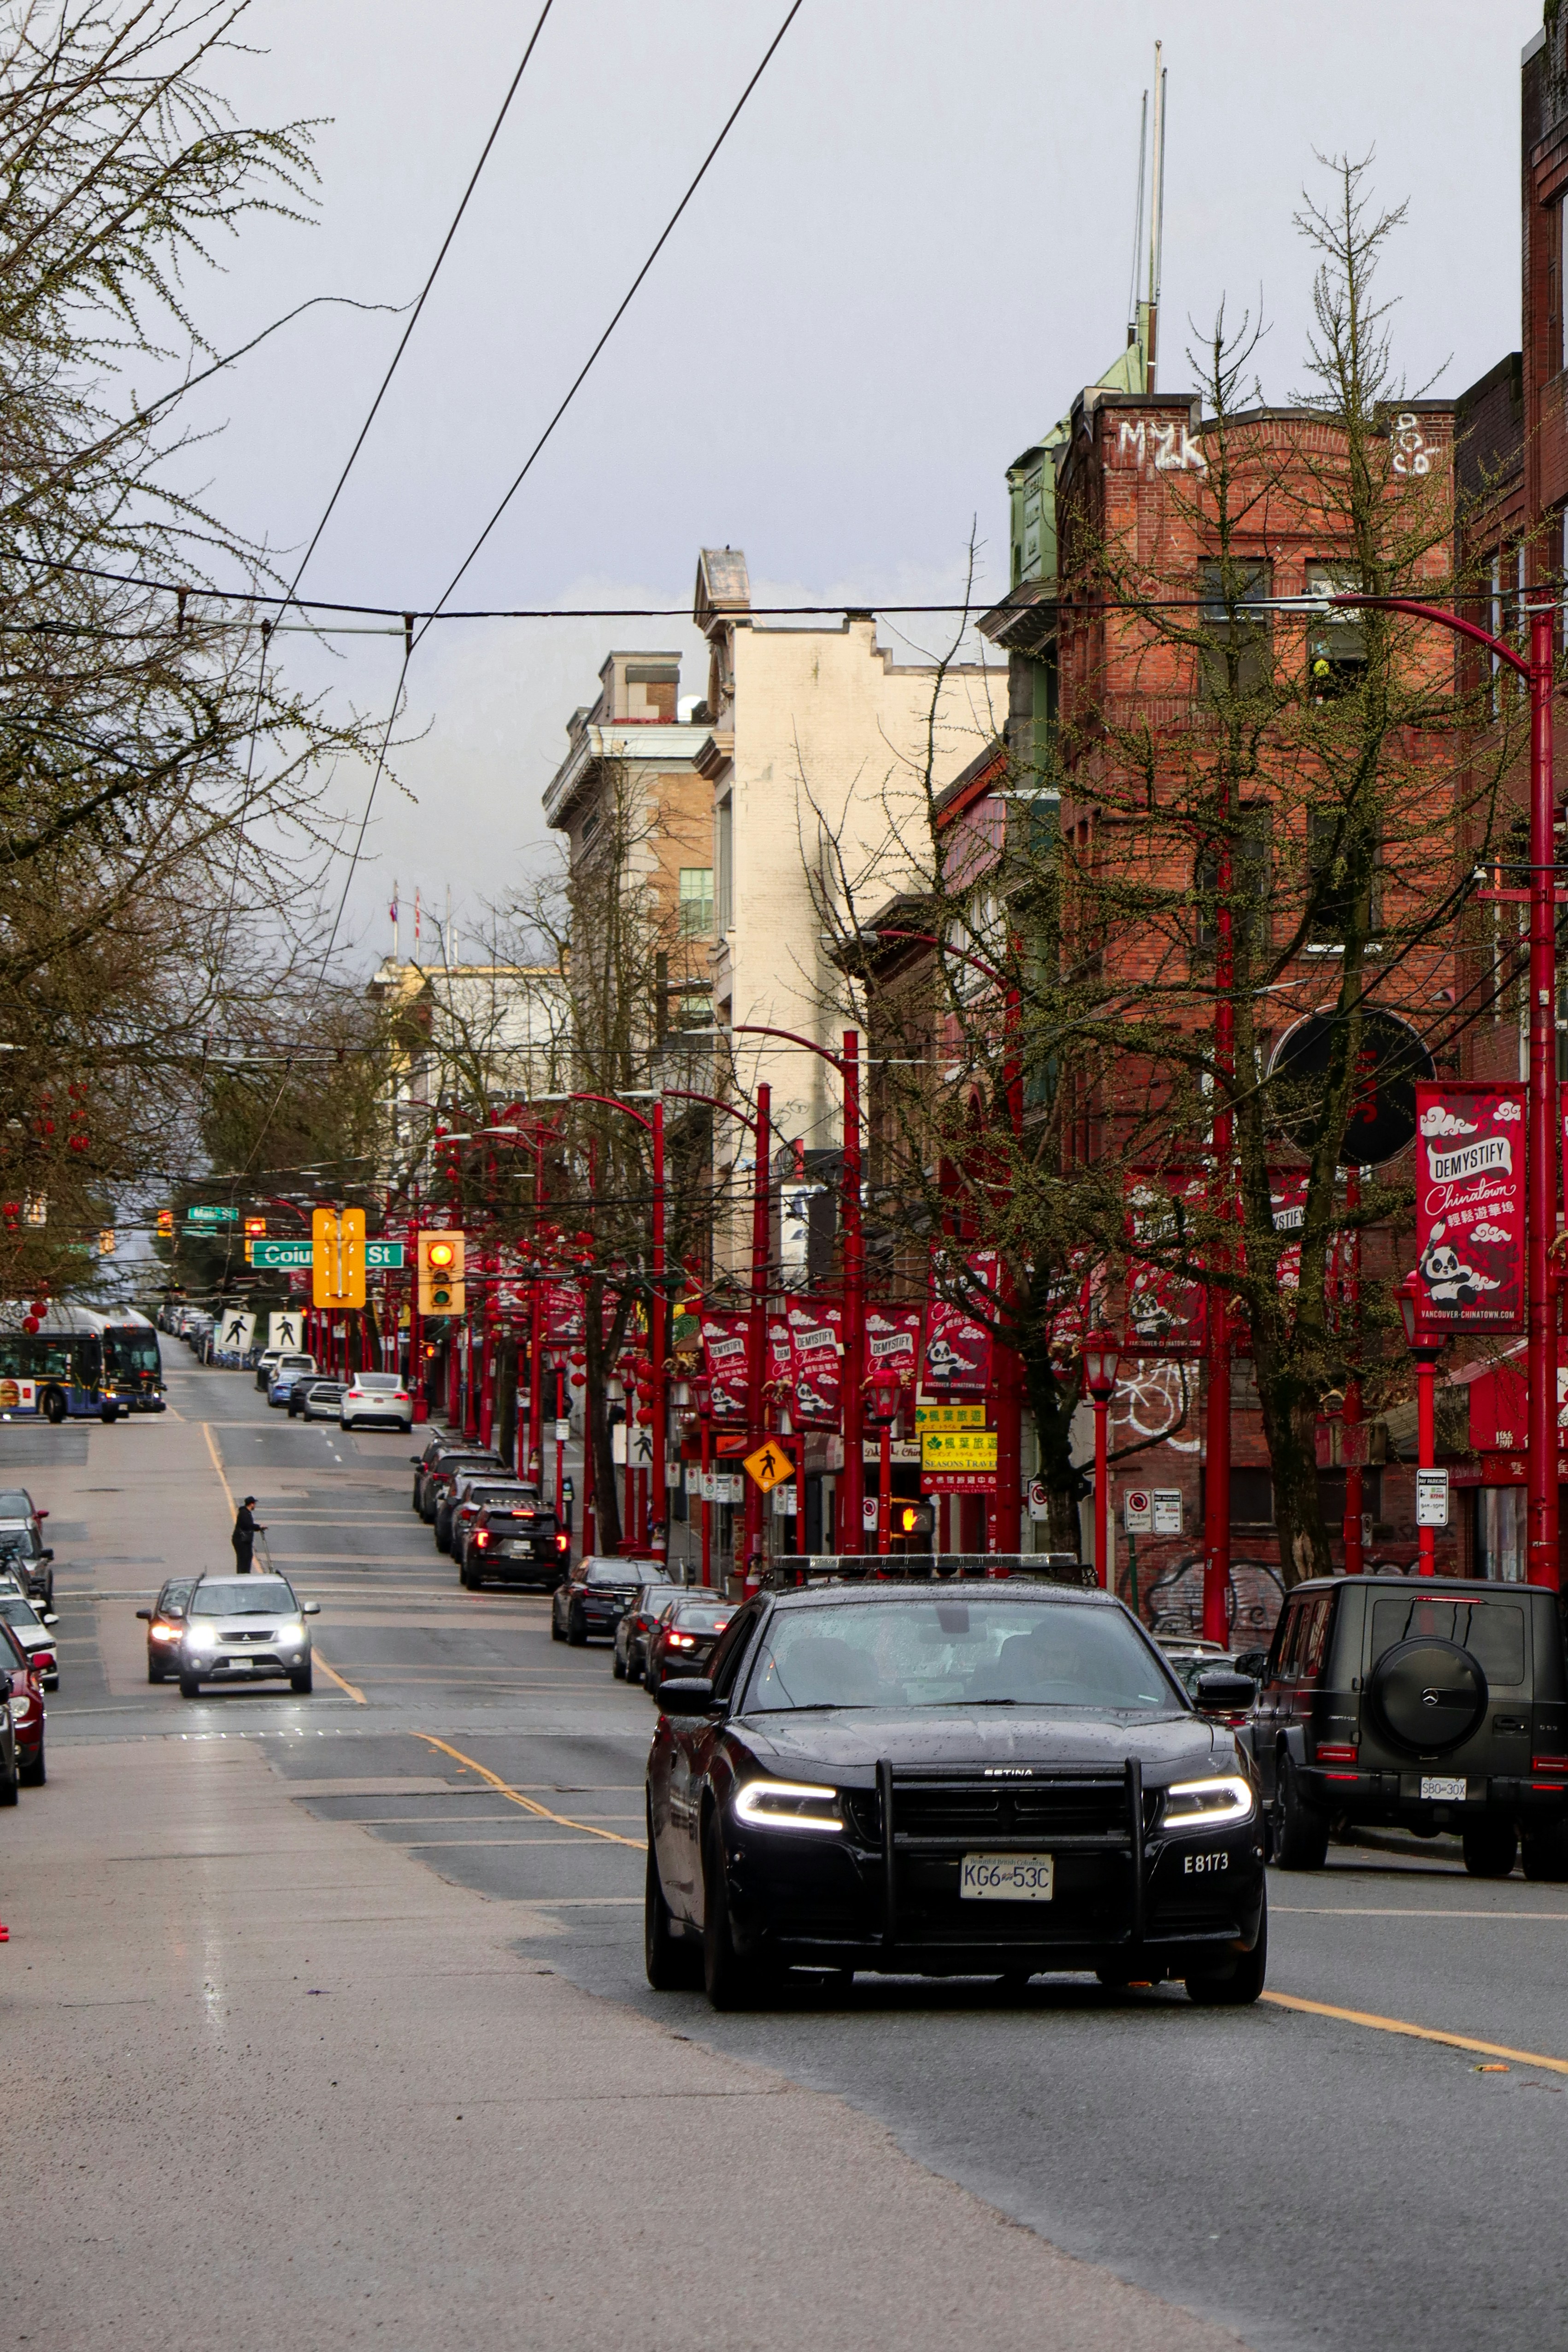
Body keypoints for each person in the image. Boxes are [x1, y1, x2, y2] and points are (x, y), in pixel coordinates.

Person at [232, 1496, 265, 1574]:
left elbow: (249, 1526)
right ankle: (243, 1574)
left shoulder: (247, 1512)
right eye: (254, 1504)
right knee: (244, 1559)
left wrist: (259, 1528)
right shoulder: (244, 1513)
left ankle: (245, 1573)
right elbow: (247, 1525)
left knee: (248, 1557)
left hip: (245, 1540)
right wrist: (259, 1527)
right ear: (251, 1504)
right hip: (241, 1540)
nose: (255, 1506)